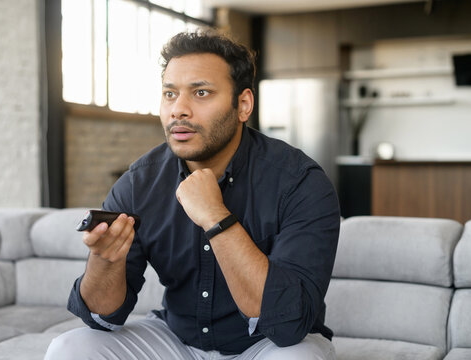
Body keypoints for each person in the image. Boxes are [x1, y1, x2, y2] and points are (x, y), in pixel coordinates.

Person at [45, 29, 340, 360]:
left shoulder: (300, 182)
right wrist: (105, 260)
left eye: (201, 93)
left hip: (266, 344)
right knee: (69, 348)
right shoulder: (139, 183)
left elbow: (288, 324)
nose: (179, 110)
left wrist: (216, 217)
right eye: (170, 94)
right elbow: (101, 318)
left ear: (243, 105)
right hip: (175, 338)